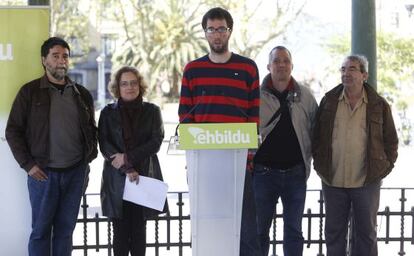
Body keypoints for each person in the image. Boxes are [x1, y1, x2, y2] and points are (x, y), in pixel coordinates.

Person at [178, 7, 261, 256]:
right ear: (204, 33)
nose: (217, 34)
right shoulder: (192, 70)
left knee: (246, 232)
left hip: (239, 166)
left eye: (221, 29)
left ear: (229, 31)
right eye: (211, 29)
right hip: (204, 167)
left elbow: (254, 116)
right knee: (208, 230)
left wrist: (247, 158)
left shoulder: (248, 68)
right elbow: (185, 117)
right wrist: (193, 159)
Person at [5, 37, 97, 256]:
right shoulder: (30, 92)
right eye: (55, 56)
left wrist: (87, 159)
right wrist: (28, 165)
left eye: (65, 56)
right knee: (41, 232)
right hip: (43, 176)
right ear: (44, 60)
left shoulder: (81, 94)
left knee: (65, 232)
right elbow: (13, 131)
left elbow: (91, 129)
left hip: (75, 173)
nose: (61, 61)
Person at [312, 55, 398, 256]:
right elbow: (317, 137)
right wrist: (319, 164)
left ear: (364, 75)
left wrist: (382, 168)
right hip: (333, 180)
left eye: (352, 69)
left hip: (366, 182)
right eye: (343, 69)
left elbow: (391, 141)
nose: (346, 73)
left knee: (366, 235)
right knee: (333, 234)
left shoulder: (378, 105)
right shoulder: (329, 101)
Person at [253, 46, 318, 256]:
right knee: (259, 230)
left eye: (285, 61)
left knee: (293, 231)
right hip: (263, 174)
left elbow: (316, 129)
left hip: (295, 174)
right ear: (268, 66)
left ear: (292, 65)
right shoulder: (255, 96)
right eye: (276, 61)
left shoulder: (305, 96)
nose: (281, 64)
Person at [99, 66, 168, 256]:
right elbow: (105, 146)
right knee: (119, 235)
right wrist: (127, 168)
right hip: (117, 180)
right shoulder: (107, 113)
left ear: (140, 85)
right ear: (117, 88)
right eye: (124, 84)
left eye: (133, 83)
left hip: (143, 177)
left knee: (139, 234)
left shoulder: (152, 111)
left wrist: (128, 158)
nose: (129, 87)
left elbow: (156, 141)